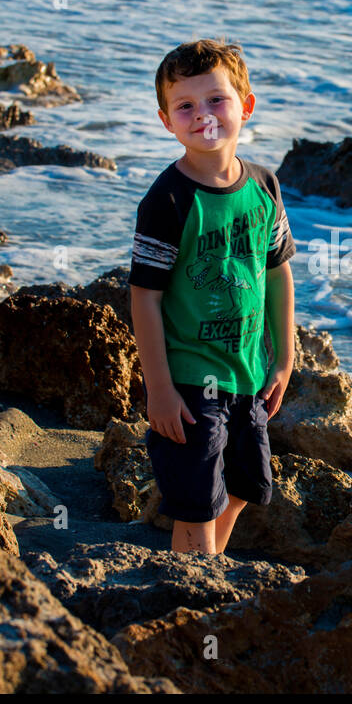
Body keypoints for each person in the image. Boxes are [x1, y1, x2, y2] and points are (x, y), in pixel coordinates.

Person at [128, 37, 296, 555]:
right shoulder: (168, 201)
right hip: (188, 379)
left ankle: (210, 569)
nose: (202, 115)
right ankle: (189, 592)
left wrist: (284, 358)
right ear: (167, 121)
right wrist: (158, 388)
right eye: (186, 106)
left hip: (247, 372)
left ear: (245, 106)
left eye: (216, 100)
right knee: (196, 505)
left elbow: (277, 275)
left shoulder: (264, 186)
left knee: (245, 487)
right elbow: (145, 298)